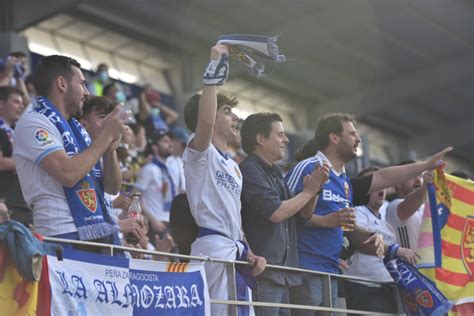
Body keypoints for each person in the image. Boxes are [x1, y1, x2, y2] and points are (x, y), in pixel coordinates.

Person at [285, 113, 452, 314]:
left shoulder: (344, 182)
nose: (358, 139)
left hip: (333, 271)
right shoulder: (308, 166)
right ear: (334, 137)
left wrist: (374, 237)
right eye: (352, 133)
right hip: (305, 269)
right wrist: (326, 221)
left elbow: (382, 178)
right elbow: (284, 213)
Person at [182, 44, 266, 315]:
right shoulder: (199, 151)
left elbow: (235, 218)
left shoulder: (234, 166)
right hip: (213, 249)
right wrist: (214, 66)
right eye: (227, 111)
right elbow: (205, 122)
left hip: (235, 250)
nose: (236, 117)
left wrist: (250, 251)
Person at [13, 55, 127, 254]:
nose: (87, 92)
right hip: (60, 235)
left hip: (98, 232)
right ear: (62, 84)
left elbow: (111, 187)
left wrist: (110, 149)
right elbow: (68, 174)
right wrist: (106, 135)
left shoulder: (78, 131)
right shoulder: (33, 122)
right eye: (82, 84)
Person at [240, 112, 329, 315]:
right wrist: (307, 192)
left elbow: (302, 216)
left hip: (284, 274)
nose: (286, 140)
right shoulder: (249, 170)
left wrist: (314, 190)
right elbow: (276, 213)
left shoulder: (277, 172)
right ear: (261, 139)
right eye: (280, 135)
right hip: (263, 273)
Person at [344, 167, 419, 315]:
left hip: (389, 287)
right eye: (375, 185)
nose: (381, 188)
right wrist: (396, 250)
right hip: (365, 287)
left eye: (383, 185)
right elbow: (362, 242)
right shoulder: (356, 210)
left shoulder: (386, 214)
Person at [0, 86, 31, 225]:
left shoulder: (14, 131)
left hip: (21, 202)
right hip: (6, 203)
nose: (21, 106)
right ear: (1, 103)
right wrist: (30, 162)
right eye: (16, 102)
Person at [385, 160, 433, 249]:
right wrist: (425, 185)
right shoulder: (393, 206)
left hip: (429, 262)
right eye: (412, 176)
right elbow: (409, 204)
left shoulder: (425, 206)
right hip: (406, 262)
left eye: (420, 175)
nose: (418, 180)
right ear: (398, 183)